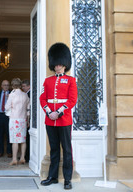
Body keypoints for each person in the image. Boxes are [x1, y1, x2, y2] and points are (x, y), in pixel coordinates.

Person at [39, 43, 77, 190]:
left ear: (65, 64)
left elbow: (72, 100)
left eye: (59, 64)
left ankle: (68, 179)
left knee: (67, 149)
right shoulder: (47, 81)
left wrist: (58, 112)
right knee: (54, 149)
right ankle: (52, 176)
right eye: (55, 64)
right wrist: (49, 112)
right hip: (50, 120)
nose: (57, 66)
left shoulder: (71, 80)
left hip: (64, 119)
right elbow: (43, 98)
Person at [5, 78, 30, 165]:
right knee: (23, 140)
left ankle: (14, 159)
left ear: (12, 85)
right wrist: (28, 120)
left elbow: (6, 107)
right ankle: (22, 158)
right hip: (23, 119)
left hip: (14, 119)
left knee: (14, 141)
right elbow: (28, 109)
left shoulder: (12, 95)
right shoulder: (25, 95)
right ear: (20, 85)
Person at [0, 80, 12, 157]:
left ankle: (9, 152)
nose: (6, 86)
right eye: (4, 85)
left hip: (8, 116)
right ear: (1, 86)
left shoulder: (11, 94)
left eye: (7, 85)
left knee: (9, 134)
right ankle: (0, 151)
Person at [21, 79, 31, 163]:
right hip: (27, 119)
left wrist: (28, 120)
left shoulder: (29, 94)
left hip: (29, 119)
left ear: (29, 86)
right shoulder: (26, 94)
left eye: (24, 86)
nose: (23, 88)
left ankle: (27, 157)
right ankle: (25, 156)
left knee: (27, 139)